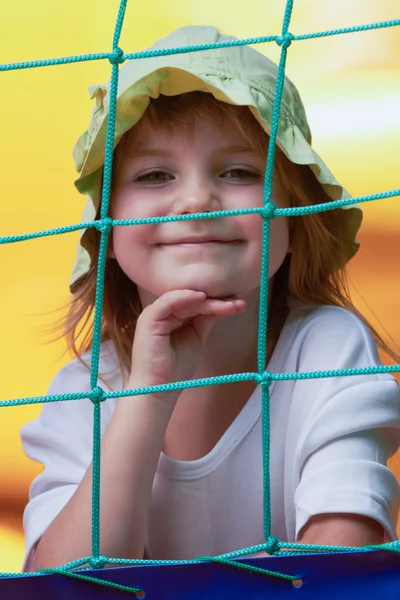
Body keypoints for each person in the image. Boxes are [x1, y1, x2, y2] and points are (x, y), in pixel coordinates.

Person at [20, 26, 400, 571]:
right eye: (154, 175)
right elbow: (60, 584)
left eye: (240, 172)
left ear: (294, 219)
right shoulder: (87, 389)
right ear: (106, 227)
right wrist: (148, 397)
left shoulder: (325, 347)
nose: (197, 197)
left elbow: (339, 566)